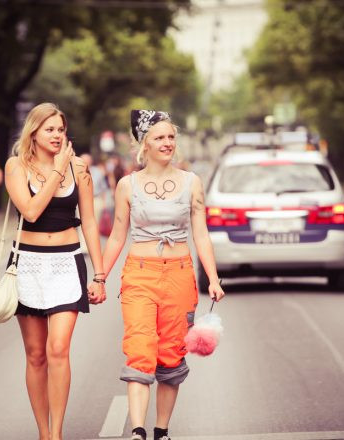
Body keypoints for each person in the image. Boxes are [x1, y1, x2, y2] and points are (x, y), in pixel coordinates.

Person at [102, 110, 225, 440]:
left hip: (180, 275)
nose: (167, 142)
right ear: (144, 143)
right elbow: (117, 234)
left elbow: (201, 234)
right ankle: (138, 432)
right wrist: (100, 276)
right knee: (140, 349)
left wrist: (212, 278)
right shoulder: (127, 186)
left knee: (171, 355)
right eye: (159, 137)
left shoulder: (191, 182)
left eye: (171, 137)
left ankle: (161, 431)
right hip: (139, 276)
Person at [4, 102, 106, 440]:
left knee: (58, 349)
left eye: (61, 130)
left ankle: (57, 434)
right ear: (33, 132)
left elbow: (89, 221)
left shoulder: (79, 168)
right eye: (50, 129)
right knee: (35, 355)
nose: (57, 135)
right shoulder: (16, 167)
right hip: (28, 264)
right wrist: (57, 171)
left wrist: (100, 273)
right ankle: (44, 433)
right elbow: (31, 211)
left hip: (66, 262)